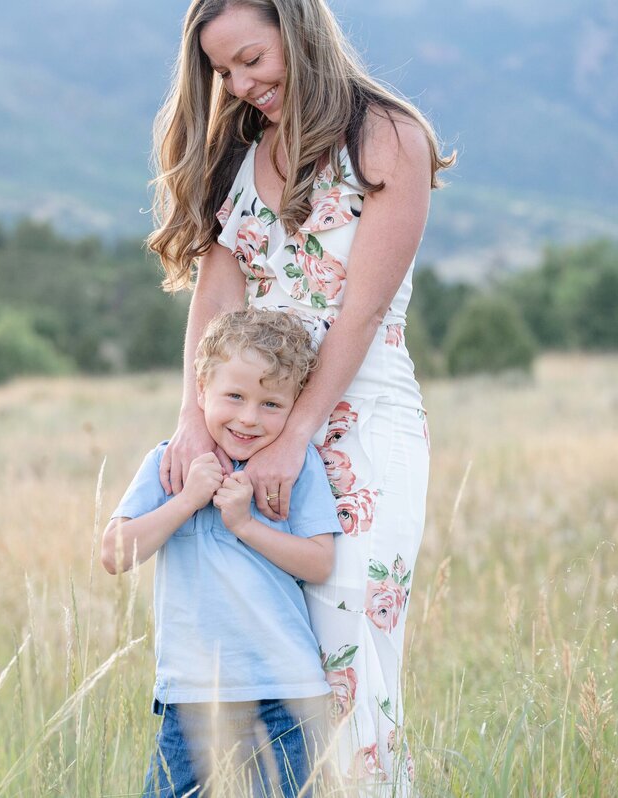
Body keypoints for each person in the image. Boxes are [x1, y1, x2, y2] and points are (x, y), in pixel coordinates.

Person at [147, 0, 454, 791]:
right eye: (223, 72)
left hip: (362, 425)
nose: (243, 85)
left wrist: (300, 435)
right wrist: (194, 423)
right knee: (269, 659)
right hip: (255, 424)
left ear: (298, 30)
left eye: (253, 59)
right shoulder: (239, 154)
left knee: (352, 651)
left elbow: (361, 311)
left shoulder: (387, 137)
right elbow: (214, 303)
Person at [103, 308, 341, 797]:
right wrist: (188, 500)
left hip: (286, 693)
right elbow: (115, 554)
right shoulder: (171, 463)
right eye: (234, 396)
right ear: (201, 389)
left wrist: (245, 525)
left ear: (295, 405)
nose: (249, 418)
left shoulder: (296, 467)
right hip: (193, 695)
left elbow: (319, 562)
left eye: (272, 404)